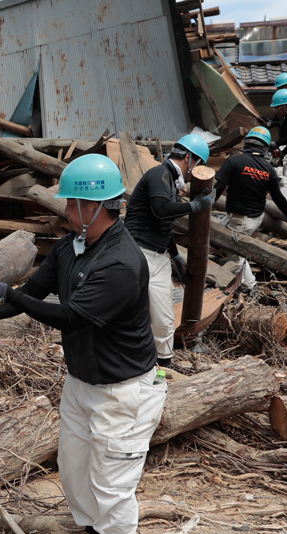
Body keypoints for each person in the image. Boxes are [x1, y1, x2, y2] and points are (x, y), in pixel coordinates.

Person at [0, 154, 166, 534]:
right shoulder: (72, 247)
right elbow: (33, 291)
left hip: (124, 393)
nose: (66, 210)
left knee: (112, 488)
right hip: (83, 383)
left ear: (95, 206)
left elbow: (69, 316)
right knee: (74, 473)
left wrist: (14, 299)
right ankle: (91, 530)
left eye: (72, 203)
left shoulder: (121, 263)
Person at [124, 134, 215, 367]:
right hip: (137, 253)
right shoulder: (158, 174)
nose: (192, 173)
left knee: (164, 321)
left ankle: (162, 371)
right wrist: (194, 206)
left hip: (158, 257)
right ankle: (132, 367)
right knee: (134, 315)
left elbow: (163, 226)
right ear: (188, 158)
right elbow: (160, 210)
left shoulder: (170, 184)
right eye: (196, 166)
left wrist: (175, 256)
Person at [212, 126, 287, 291]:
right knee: (220, 229)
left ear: (247, 143)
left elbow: (218, 188)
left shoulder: (234, 160)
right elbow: (279, 198)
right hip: (254, 219)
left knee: (235, 258)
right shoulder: (269, 170)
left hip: (239, 220)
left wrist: (204, 208)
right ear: (265, 147)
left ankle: (251, 288)